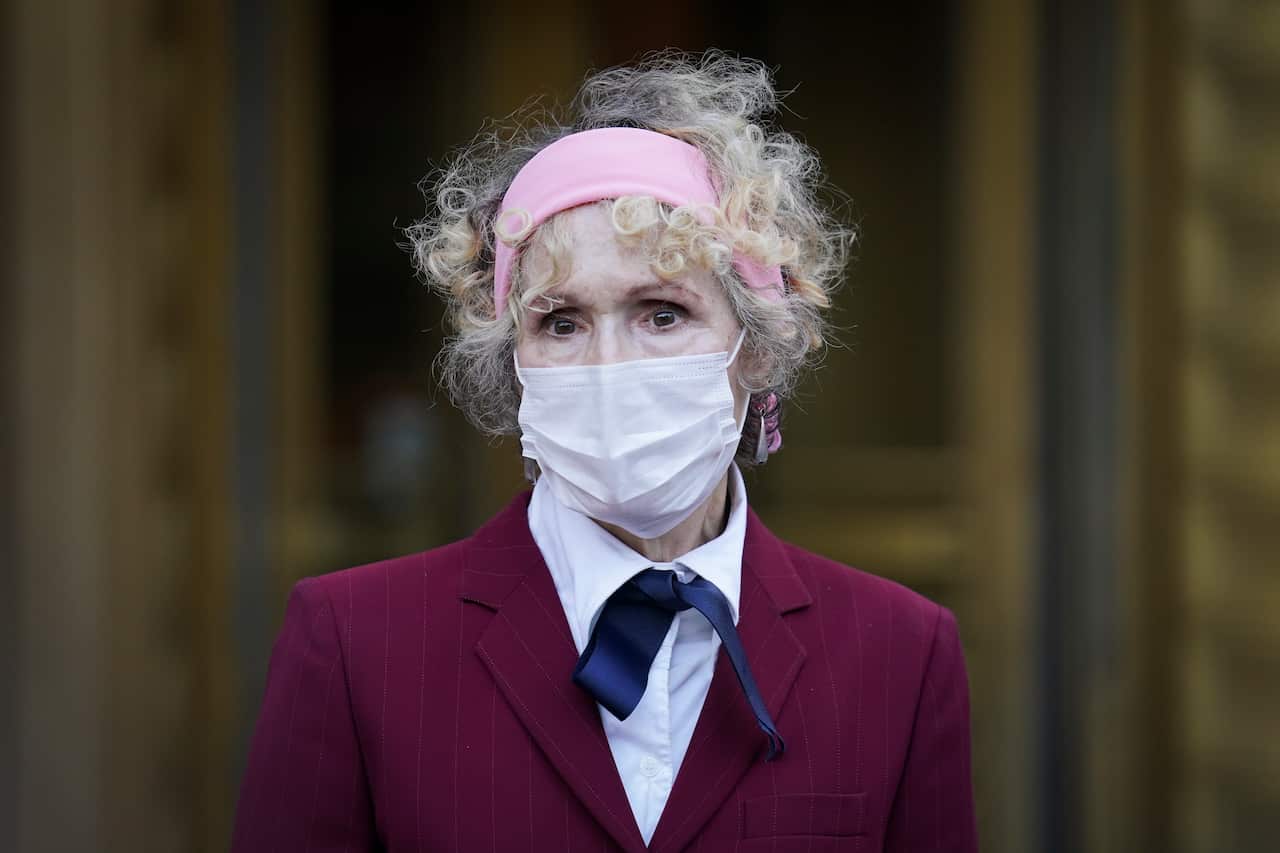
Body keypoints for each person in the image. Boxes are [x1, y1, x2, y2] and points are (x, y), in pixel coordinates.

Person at [231, 52, 977, 852]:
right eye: (561, 321)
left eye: (662, 312)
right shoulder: (354, 642)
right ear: (510, 359)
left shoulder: (900, 650)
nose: (609, 365)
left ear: (756, 347)